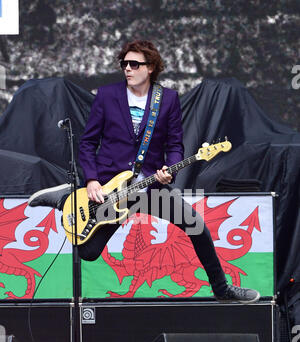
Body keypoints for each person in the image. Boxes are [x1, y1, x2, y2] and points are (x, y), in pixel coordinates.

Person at [29, 40, 260, 303]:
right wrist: (92, 180)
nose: (127, 69)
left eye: (134, 64)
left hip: (151, 186)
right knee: (89, 251)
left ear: (150, 67)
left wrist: (169, 171)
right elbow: (89, 142)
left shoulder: (167, 99)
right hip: (111, 186)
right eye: (124, 64)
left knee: (197, 226)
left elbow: (174, 144)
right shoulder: (107, 95)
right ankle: (64, 199)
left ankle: (222, 289)